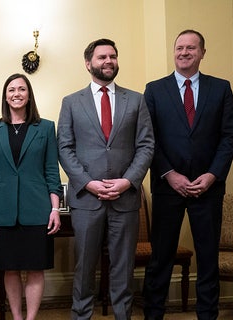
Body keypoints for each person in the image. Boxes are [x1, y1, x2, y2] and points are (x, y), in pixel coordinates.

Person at [142, 29, 233, 320]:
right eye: (180, 48)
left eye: (191, 48)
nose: (184, 52)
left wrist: (212, 176)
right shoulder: (155, 90)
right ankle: (153, 315)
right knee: (160, 258)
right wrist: (170, 174)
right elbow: (149, 139)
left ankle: (207, 315)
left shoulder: (220, 89)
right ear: (174, 52)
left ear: (202, 53)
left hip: (207, 189)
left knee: (208, 258)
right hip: (167, 188)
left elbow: (229, 138)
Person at [57, 38, 154, 319]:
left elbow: (146, 145)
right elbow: (65, 147)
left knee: (123, 268)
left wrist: (128, 181)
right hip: (87, 200)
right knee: (84, 266)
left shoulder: (136, 100)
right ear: (88, 63)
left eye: (113, 56)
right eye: (102, 57)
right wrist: (88, 182)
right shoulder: (72, 102)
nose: (108, 61)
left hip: (125, 199)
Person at [0, 73, 62, 320]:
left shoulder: (45, 127)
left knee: (36, 269)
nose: (16, 94)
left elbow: (51, 172)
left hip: (37, 210)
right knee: (10, 269)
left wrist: (55, 209)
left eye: (21, 89)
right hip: (3, 211)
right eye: (11, 90)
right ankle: (16, 317)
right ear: (5, 96)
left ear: (29, 94)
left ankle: (30, 318)